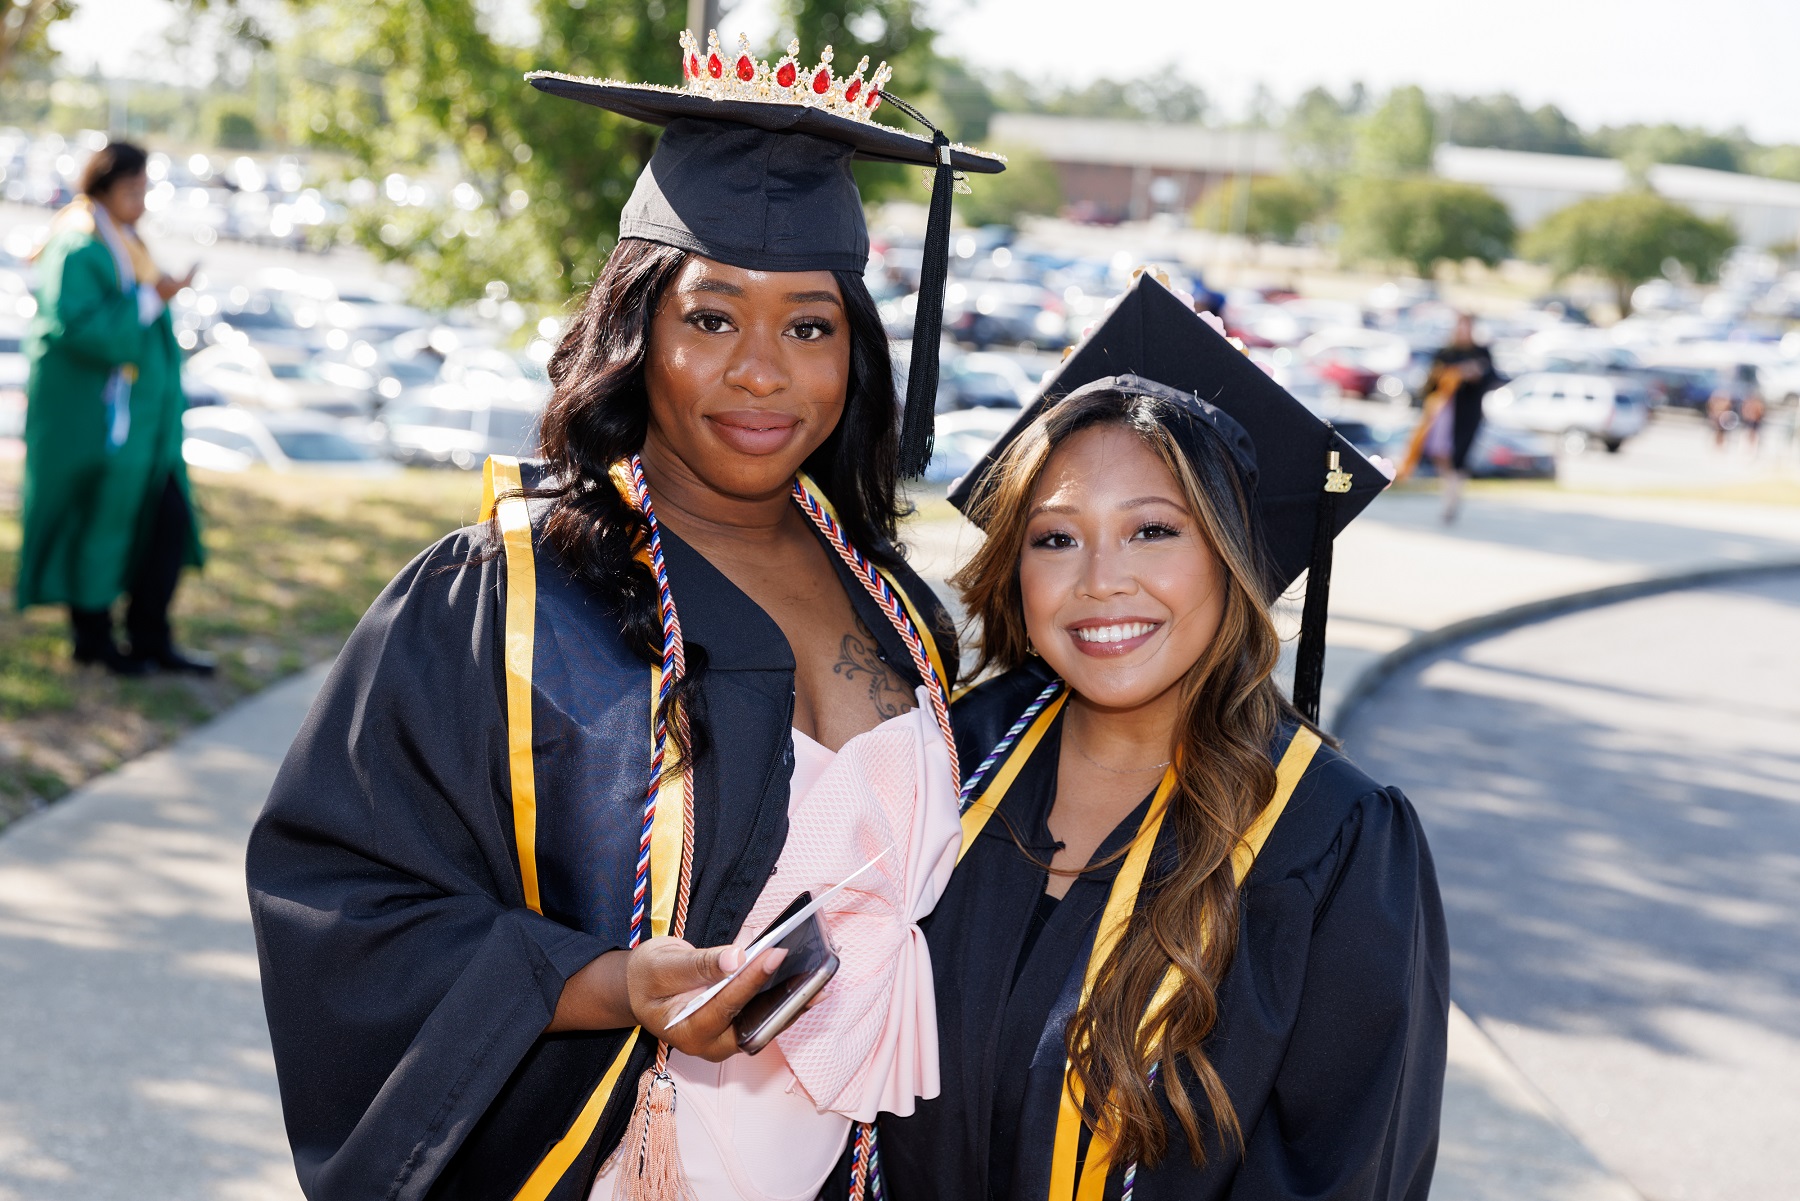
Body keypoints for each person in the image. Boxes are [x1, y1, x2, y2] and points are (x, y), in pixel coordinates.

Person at [246, 31, 1002, 1201]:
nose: (763, 370)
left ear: (856, 355)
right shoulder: (509, 599)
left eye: (810, 324)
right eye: (711, 319)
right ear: (636, 331)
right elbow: (342, 900)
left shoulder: (896, 601)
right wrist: (608, 984)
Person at [881, 277, 1449, 1200]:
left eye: (1152, 530)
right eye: (1056, 539)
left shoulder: (1331, 841)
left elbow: (1340, 1173)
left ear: (1231, 557)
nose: (1102, 581)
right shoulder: (948, 758)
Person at [17, 140, 210, 674]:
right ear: (102, 186)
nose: (141, 203)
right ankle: (95, 639)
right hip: (98, 421)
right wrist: (156, 297)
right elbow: (76, 327)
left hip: (142, 423)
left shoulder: (121, 237)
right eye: (132, 190)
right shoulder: (77, 244)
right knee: (97, 523)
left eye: (144, 190)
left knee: (162, 523)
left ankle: (149, 635)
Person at [1402, 313, 1496, 523]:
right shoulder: (1446, 353)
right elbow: (1431, 381)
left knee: (1458, 459)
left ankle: (1451, 502)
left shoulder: (1481, 352)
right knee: (1440, 455)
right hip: (1442, 412)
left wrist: (1474, 374)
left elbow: (1491, 378)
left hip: (1466, 415)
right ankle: (1451, 493)